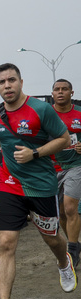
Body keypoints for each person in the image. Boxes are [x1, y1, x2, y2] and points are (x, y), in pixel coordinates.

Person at [0, 62, 76, 299]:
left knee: (52, 239)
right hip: (10, 184)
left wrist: (35, 153)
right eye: (2, 82)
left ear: (21, 82)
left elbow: (64, 139)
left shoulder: (41, 109)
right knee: (6, 243)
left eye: (11, 80)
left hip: (41, 185)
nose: (7, 86)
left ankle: (64, 262)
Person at [51, 78, 81, 268]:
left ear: (72, 93)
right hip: (52, 168)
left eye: (64, 89)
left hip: (76, 166)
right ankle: (75, 242)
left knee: (70, 208)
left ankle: (72, 251)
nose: (60, 92)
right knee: (61, 212)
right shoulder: (46, 114)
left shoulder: (79, 113)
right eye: (57, 89)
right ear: (52, 93)